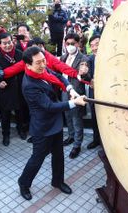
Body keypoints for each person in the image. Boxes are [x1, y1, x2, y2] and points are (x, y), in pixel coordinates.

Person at [17, 46, 87, 200]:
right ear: (28, 65)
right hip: (42, 127)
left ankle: (57, 181)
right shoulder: (29, 85)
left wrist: (70, 89)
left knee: (58, 155)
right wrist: (74, 102)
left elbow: (58, 75)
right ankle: (23, 183)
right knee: (37, 159)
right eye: (38, 63)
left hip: (55, 124)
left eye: (44, 60)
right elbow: (49, 106)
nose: (43, 65)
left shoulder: (42, 69)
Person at [0, 33, 28, 146]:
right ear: (0, 44)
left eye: (9, 42)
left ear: (13, 41)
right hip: (5, 89)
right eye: (5, 43)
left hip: (20, 88)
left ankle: (21, 129)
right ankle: (5, 134)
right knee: (5, 115)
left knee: (20, 111)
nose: (8, 45)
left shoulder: (20, 54)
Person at [60, 33, 90, 159]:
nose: (70, 46)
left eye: (73, 43)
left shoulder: (84, 59)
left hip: (76, 92)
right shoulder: (63, 57)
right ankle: (71, 136)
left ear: (78, 44)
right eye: (68, 44)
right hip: (64, 91)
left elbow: (87, 78)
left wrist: (84, 74)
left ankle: (77, 145)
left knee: (77, 118)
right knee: (67, 115)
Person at [87, 35, 101, 149]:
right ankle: (96, 139)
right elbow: (87, 75)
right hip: (94, 93)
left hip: (107, 95)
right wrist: (88, 78)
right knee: (95, 117)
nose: (95, 48)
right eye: (92, 46)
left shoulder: (111, 58)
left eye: (97, 44)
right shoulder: (90, 59)